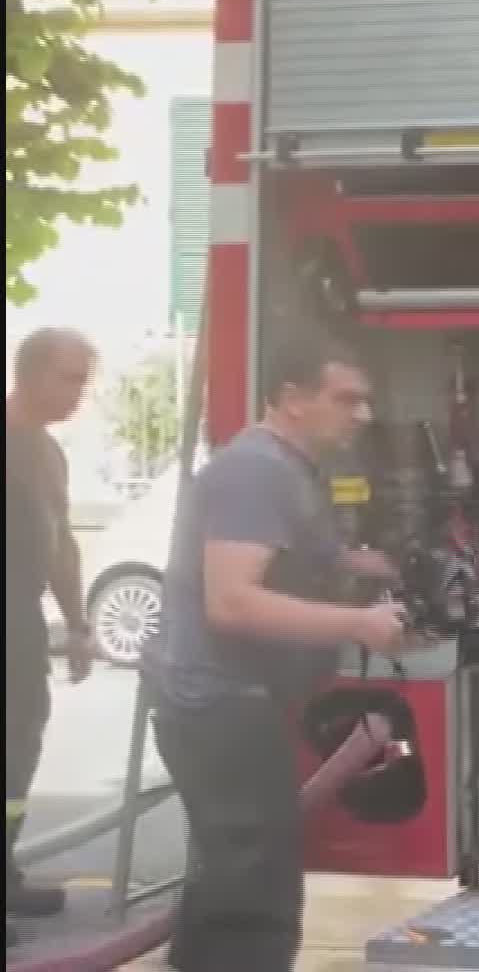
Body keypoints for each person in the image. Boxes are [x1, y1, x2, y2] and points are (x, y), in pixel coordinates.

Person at [141, 333, 411, 972]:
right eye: (347, 399)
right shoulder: (256, 470)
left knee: (228, 888)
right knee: (256, 902)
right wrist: (358, 623)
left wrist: (353, 563)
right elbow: (231, 602)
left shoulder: (284, 469)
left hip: (227, 709)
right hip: (221, 711)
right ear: (291, 397)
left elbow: (278, 564)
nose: (364, 416)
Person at [5, 328, 98, 947]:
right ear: (30, 375)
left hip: (20, 624)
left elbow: (62, 542)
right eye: (69, 379)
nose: (79, 394)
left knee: (18, 751)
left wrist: (79, 622)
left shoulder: (48, 453)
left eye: (83, 381)